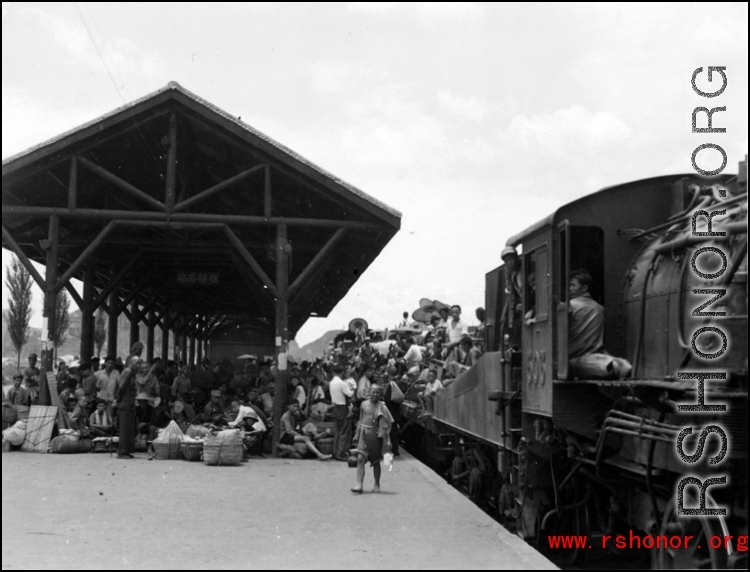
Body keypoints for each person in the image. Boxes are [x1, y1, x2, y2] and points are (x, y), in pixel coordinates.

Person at [351, 383, 393, 494]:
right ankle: (359, 484)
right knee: (360, 459)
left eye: (377, 392)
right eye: (373, 392)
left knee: (375, 462)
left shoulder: (382, 407)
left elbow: (387, 424)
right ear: (369, 392)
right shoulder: (363, 404)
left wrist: (387, 439)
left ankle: (376, 484)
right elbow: (360, 419)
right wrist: (357, 433)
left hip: (375, 435)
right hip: (363, 433)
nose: (375, 394)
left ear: (380, 394)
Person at [115, 356, 139, 459]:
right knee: (124, 429)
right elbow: (121, 388)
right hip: (124, 404)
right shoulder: (127, 372)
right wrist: (118, 400)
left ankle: (127, 450)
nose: (139, 366)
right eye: (137, 363)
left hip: (129, 404)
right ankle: (122, 451)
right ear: (131, 363)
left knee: (129, 429)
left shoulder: (132, 374)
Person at [329, 364, 354, 461]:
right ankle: (341, 453)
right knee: (344, 432)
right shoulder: (341, 383)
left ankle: (336, 452)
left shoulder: (332, 382)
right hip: (343, 407)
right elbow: (349, 393)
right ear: (342, 372)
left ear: (333, 372)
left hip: (336, 407)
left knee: (338, 431)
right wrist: (351, 388)